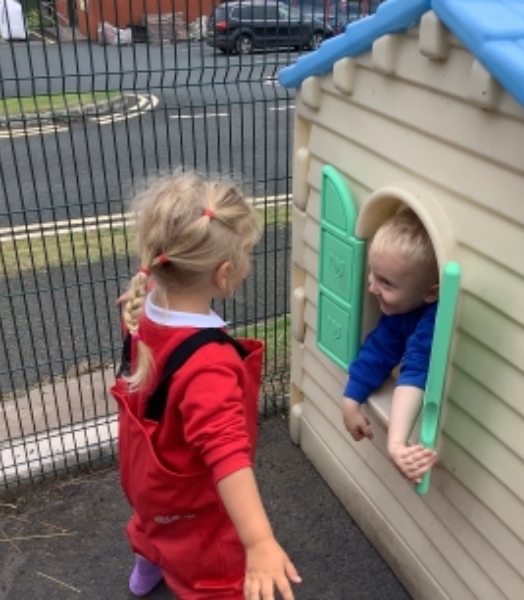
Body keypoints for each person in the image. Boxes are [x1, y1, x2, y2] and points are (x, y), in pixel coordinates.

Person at [111, 173, 301, 600]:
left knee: (153, 520)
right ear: (224, 273)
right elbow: (227, 456)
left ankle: (147, 567)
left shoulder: (146, 300)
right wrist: (259, 542)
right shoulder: (209, 364)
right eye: (246, 254)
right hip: (187, 492)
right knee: (212, 565)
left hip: (145, 472)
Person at [341, 207, 440, 484]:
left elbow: (417, 370)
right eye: (373, 274)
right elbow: (378, 351)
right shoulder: (401, 311)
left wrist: (396, 443)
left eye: (385, 283)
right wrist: (351, 400)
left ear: (431, 293)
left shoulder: (432, 321)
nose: (372, 287)